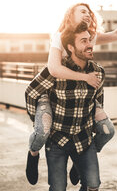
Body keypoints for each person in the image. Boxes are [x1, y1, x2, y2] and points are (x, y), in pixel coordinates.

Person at [26, 22, 109, 191]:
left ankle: (78, 165)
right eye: (84, 41)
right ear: (70, 47)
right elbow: (31, 92)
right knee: (58, 188)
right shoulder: (55, 71)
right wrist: (39, 122)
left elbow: (98, 100)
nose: (90, 45)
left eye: (90, 40)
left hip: (83, 139)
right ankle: (32, 155)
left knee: (93, 185)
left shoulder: (98, 72)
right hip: (57, 140)